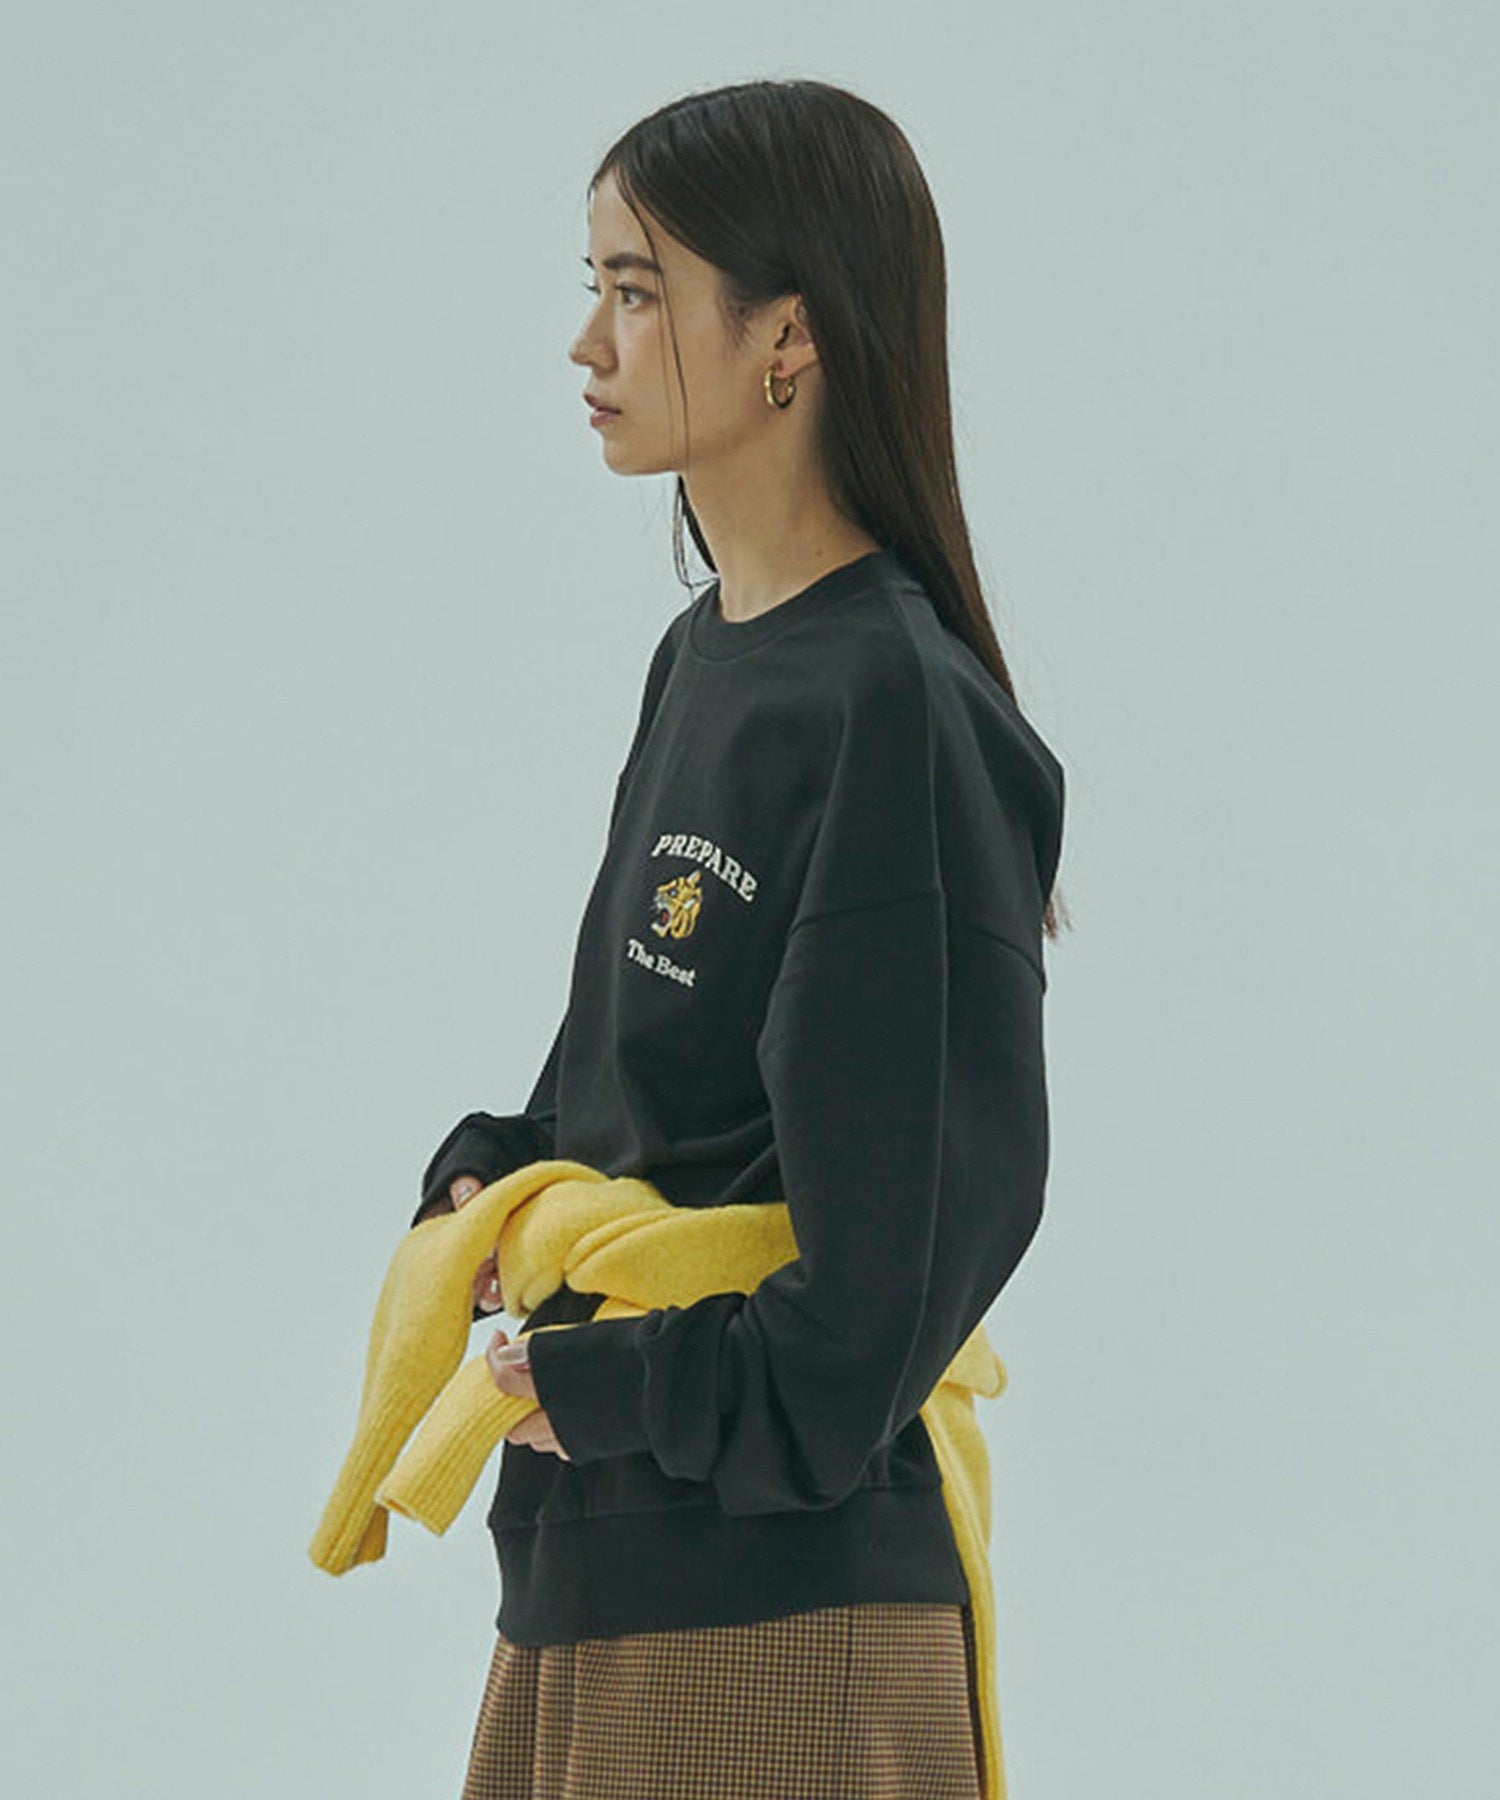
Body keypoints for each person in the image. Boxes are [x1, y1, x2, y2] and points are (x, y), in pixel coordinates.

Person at [411, 76, 1069, 1800]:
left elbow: (880, 1305)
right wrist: (495, 1180)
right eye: (596, 287)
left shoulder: (899, 711)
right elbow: (629, 1098)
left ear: (789, 335)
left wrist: (604, 1389)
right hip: (600, 1574)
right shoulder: (705, 659)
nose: (588, 342)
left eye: (638, 292)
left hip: (780, 1623)